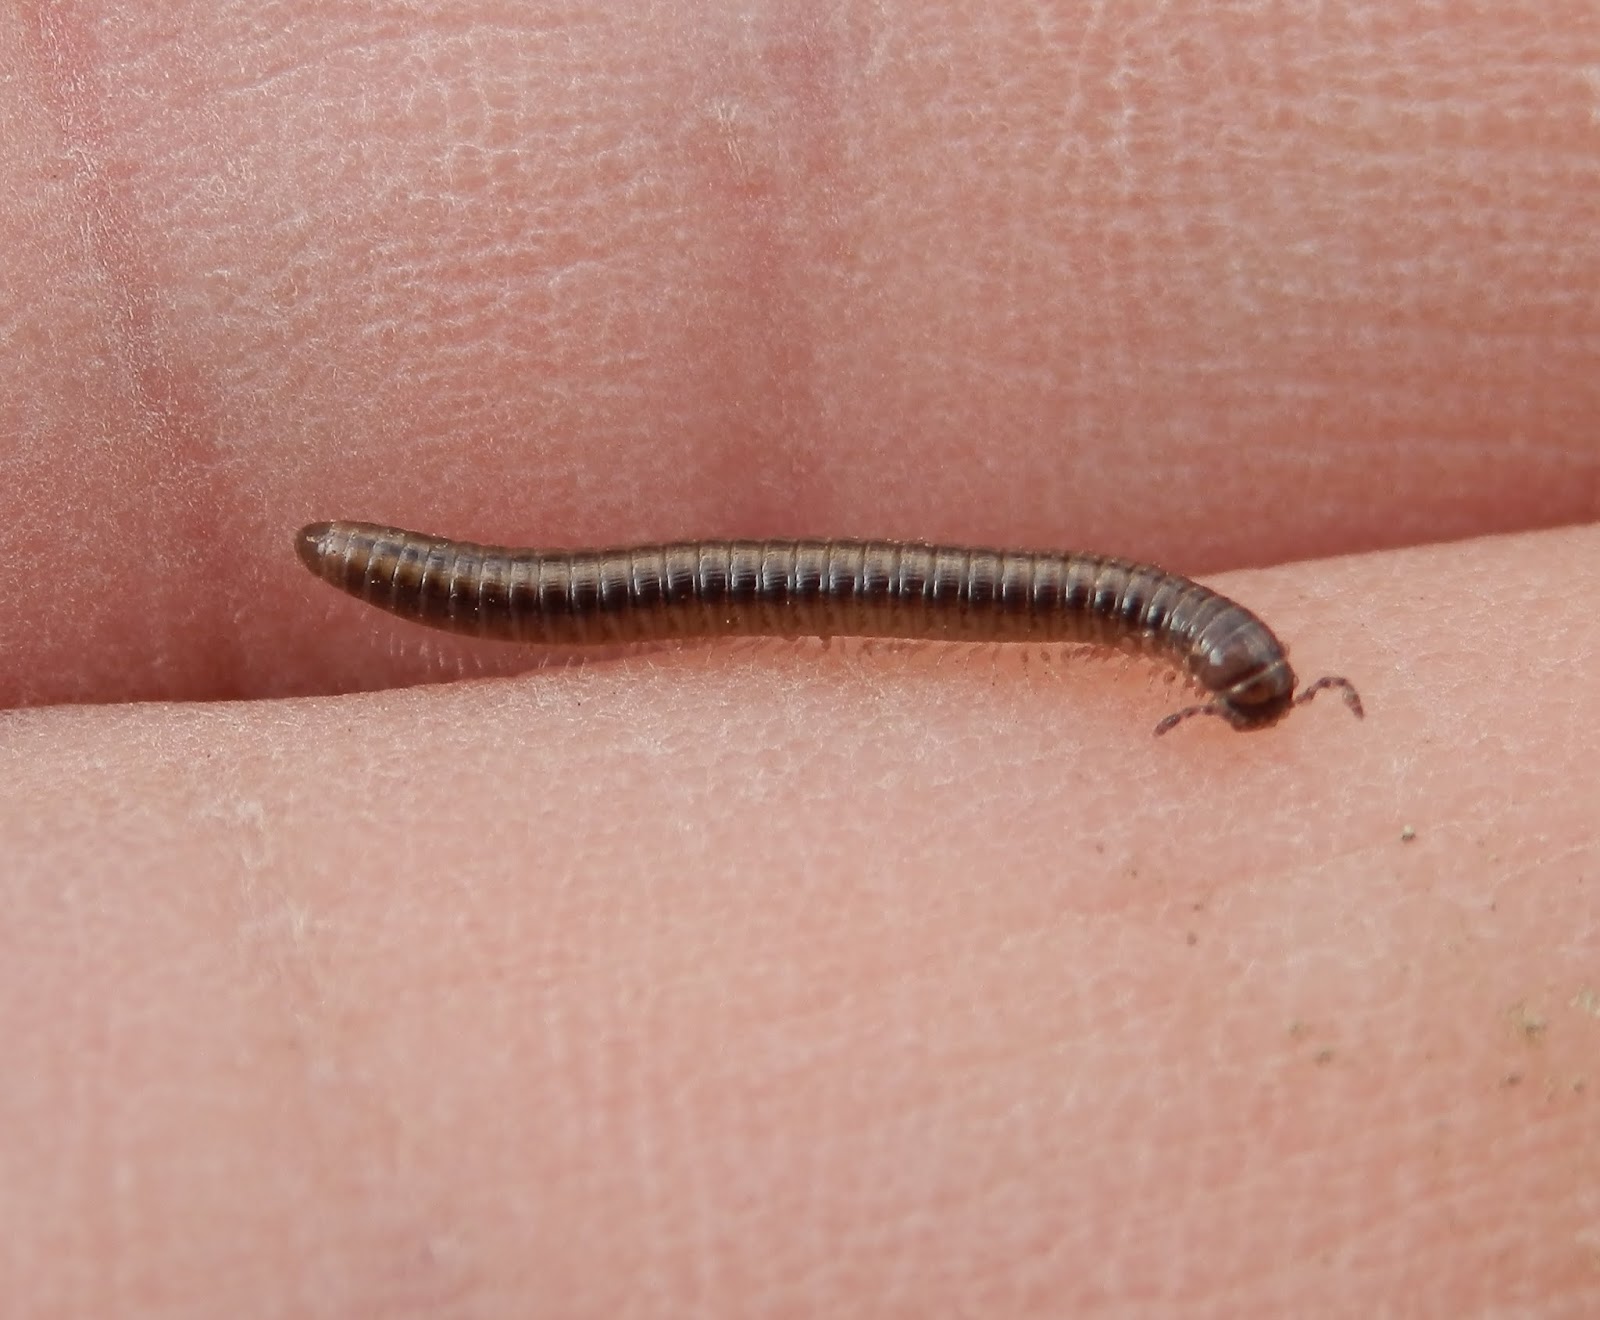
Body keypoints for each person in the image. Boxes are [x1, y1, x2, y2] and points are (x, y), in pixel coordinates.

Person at [3, 3, 1596, 1312]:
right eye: (1240, 668)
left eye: (1233, 672)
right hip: (518, 579)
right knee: (674, 592)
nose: (1239, 680)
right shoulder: (1137, 619)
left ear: (1192, 658)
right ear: (1194, 650)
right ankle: (421, 577)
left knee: (752, 592)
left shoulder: (1132, 617)